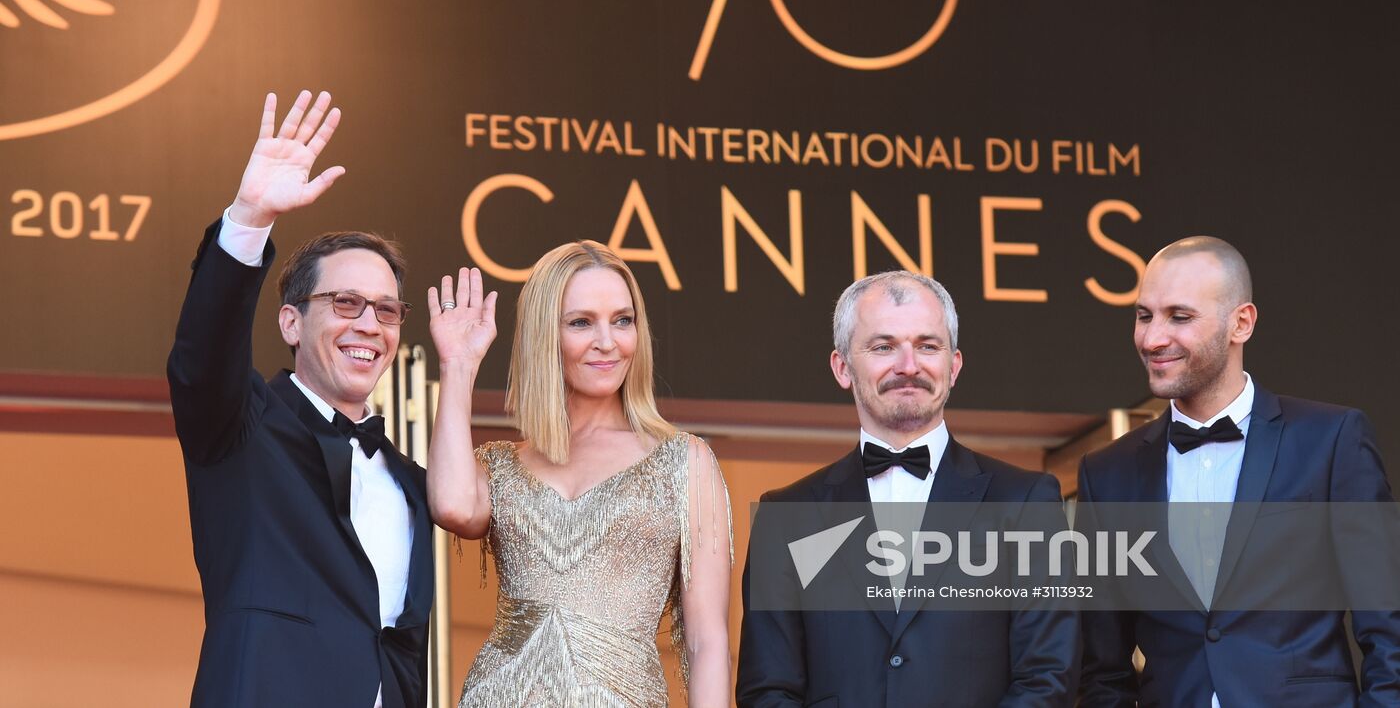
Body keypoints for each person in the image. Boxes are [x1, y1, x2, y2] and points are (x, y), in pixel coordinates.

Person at [167, 91, 435, 707]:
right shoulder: (240, 426)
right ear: (290, 324)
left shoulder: (411, 481)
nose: (370, 324)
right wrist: (250, 216)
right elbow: (200, 357)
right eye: (345, 304)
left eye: (387, 311)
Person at [1077, 236, 1400, 707]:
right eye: (1144, 315)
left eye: (1180, 317)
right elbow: (1102, 669)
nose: (1152, 338)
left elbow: (1389, 622)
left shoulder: (1332, 440)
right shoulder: (1106, 475)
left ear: (1241, 323)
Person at [736, 270, 1080, 707]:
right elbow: (766, 689)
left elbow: (1049, 677)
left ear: (953, 366)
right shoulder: (786, 516)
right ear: (842, 367)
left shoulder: (1026, 501)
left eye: (927, 346)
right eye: (883, 347)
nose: (908, 366)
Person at [427, 240, 733, 707]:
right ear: (544, 334)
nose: (607, 341)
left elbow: (705, 643)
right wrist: (458, 365)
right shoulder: (503, 465)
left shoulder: (684, 461)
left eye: (622, 320)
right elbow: (451, 505)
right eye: (581, 322)